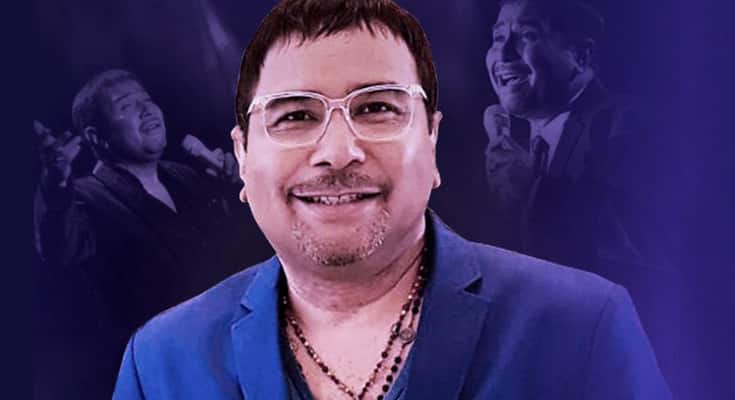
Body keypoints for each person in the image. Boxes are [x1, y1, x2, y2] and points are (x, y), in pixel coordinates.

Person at [113, 1, 671, 399]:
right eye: (296, 115)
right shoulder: (161, 362)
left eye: (377, 108)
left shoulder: (581, 328)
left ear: (431, 141)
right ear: (242, 155)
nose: (337, 152)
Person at [34, 69, 267, 399]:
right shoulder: (85, 198)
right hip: (167, 375)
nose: (146, 109)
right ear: (96, 137)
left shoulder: (185, 177)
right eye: (126, 105)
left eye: (146, 99)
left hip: (234, 357)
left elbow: (243, 256)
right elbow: (60, 247)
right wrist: (55, 184)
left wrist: (239, 189)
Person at [483, 0, 659, 275]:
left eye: (527, 35)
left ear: (581, 55)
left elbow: (644, 245)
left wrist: (535, 192)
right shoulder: (518, 146)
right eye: (498, 38)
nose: (504, 55)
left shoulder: (628, 125)